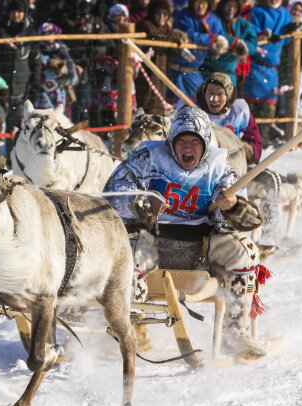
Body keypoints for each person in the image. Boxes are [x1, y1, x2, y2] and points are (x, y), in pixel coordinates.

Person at [105, 105, 269, 357]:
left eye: (195, 141)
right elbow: (113, 193)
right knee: (128, 259)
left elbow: (235, 222)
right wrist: (142, 203)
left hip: (201, 246)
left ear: (205, 144)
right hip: (153, 241)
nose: (188, 148)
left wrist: (230, 207)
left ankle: (234, 332)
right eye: (182, 141)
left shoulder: (219, 166)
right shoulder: (148, 157)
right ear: (171, 142)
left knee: (243, 252)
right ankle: (131, 327)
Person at [241, 0, 296, 146]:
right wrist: (266, 35)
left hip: (273, 70)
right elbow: (252, 32)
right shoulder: (257, 11)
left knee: (268, 114)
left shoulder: (285, 14)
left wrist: (292, 31)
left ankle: (263, 144)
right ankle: (247, 145)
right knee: (250, 112)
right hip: (255, 66)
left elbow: (288, 40)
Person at [0, 0, 41, 134]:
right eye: (13, 11)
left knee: (18, 130)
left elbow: (36, 62)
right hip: (1, 89)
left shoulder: (30, 33)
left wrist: (35, 83)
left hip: (22, 90)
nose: (16, 14)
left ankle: (13, 154)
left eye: (20, 11)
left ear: (24, 13)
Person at [167, 0, 226, 106]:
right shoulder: (184, 16)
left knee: (199, 106)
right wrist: (210, 39)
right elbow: (188, 34)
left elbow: (220, 37)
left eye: (203, 3)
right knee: (175, 108)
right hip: (176, 71)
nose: (200, 7)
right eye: (197, 3)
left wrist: (219, 42)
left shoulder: (213, 19)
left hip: (194, 71)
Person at [193, 72, 262, 164]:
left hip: (235, 165)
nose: (214, 99)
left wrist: (242, 149)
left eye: (220, 94)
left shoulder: (239, 112)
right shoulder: (193, 111)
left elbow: (255, 145)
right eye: (210, 93)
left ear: (228, 95)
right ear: (204, 92)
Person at [202, 0, 256, 87]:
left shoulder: (243, 24)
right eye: (228, 5)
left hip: (229, 73)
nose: (231, 9)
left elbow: (253, 43)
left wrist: (242, 48)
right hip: (208, 71)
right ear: (222, 5)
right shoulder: (213, 19)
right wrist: (233, 42)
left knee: (227, 101)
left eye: (234, 6)